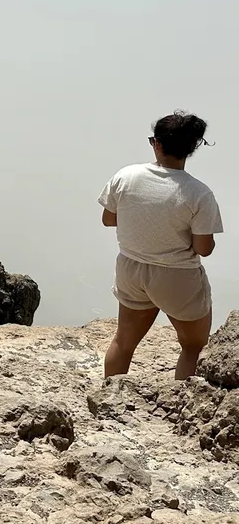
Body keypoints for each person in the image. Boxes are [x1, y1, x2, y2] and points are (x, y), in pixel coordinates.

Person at [99, 112, 223, 380]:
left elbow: (108, 219)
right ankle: (182, 405)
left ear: (156, 143)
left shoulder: (126, 176)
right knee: (192, 345)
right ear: (192, 148)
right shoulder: (199, 193)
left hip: (131, 268)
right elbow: (203, 248)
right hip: (176, 275)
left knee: (123, 342)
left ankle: (107, 400)